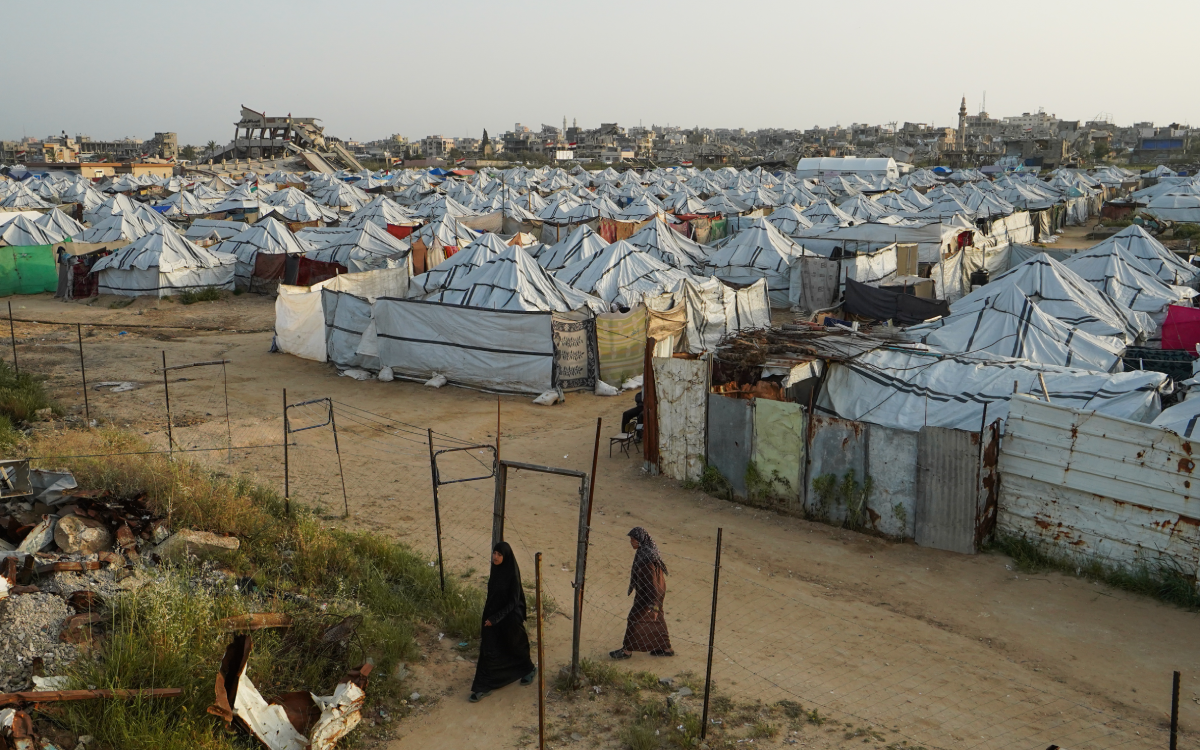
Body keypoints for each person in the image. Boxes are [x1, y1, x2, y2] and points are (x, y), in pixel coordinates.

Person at [470, 541, 536, 702]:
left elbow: (513, 601)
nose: (495, 557)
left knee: (514, 643)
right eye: (494, 553)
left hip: (511, 615)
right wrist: (489, 616)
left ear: (505, 557)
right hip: (493, 614)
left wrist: (496, 618)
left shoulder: (512, 574)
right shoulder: (496, 570)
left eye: (499, 554)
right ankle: (483, 686)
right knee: (489, 648)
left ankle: (528, 669)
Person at [610, 527, 674, 659]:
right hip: (656, 591)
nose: (631, 542)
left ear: (640, 540)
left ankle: (626, 651)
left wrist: (653, 605)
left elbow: (651, 584)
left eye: (633, 539)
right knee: (658, 619)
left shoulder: (646, 560)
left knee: (634, 618)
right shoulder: (648, 551)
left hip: (649, 594)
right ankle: (666, 648)